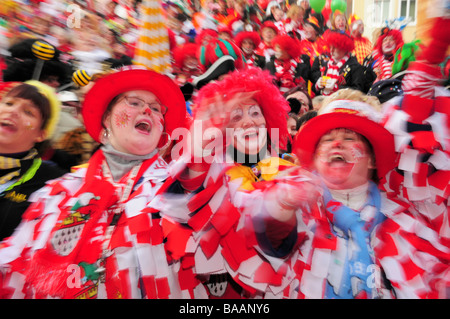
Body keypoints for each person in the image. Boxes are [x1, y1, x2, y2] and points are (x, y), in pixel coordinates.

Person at [0, 67, 206, 299]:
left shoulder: (179, 192)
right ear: (106, 119)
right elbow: (12, 266)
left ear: (162, 133)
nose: (148, 110)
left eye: (156, 109)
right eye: (135, 103)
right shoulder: (58, 192)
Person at [159, 67, 318, 298]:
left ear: (268, 121)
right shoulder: (210, 169)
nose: (248, 123)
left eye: (255, 113)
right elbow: (179, 201)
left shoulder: (289, 172)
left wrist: (282, 208)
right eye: (236, 115)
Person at [0, 81, 65, 241]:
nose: (13, 111)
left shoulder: (52, 182)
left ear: (41, 134)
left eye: (28, 112)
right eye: (8, 103)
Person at [311, 30, 371, 96]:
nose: (331, 50)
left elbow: (358, 91)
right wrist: (317, 86)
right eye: (330, 47)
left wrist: (337, 88)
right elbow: (315, 91)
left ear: (344, 47)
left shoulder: (355, 67)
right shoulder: (326, 64)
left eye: (335, 47)